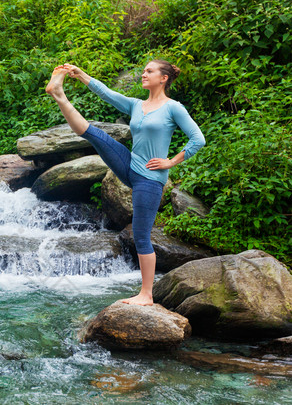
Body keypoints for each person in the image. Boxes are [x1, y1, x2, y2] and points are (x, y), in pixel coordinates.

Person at [45, 60, 205, 305]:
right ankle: (58, 94)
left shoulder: (174, 108)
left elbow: (198, 139)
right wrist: (81, 75)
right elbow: (107, 93)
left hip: (150, 179)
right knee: (94, 134)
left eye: (149, 71)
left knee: (141, 236)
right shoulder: (137, 105)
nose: (143, 74)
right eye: (143, 70)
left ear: (163, 78)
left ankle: (147, 295)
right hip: (130, 165)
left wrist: (171, 162)